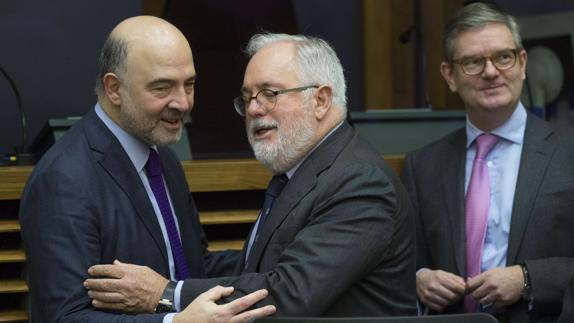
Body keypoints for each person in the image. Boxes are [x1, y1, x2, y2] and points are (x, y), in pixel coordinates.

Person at [84, 32, 417, 316]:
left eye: (269, 94)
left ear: (321, 100)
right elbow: (255, 268)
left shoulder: (359, 183)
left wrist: (165, 293)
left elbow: (287, 294)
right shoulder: (299, 173)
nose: (255, 109)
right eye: (247, 98)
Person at [19, 16, 275, 323]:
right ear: (114, 88)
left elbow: (192, 268)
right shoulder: (63, 179)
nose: (183, 102)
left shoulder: (163, 159)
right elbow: (63, 318)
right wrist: (175, 322)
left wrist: (281, 260)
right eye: (162, 87)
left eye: (189, 85)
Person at [401, 3, 574, 322]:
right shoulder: (421, 166)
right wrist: (419, 278)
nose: (491, 71)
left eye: (503, 57)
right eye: (472, 62)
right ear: (449, 76)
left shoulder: (568, 152)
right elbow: (402, 259)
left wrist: (527, 278)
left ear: (522, 63)